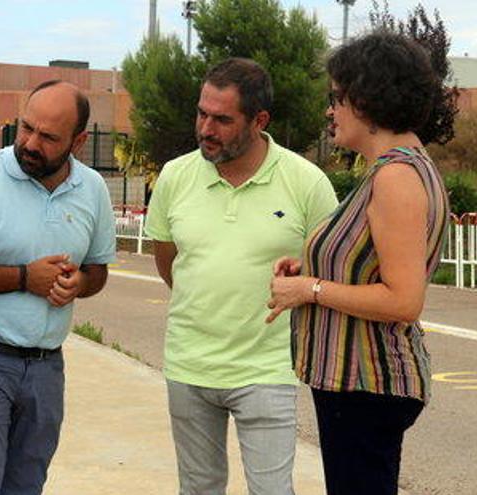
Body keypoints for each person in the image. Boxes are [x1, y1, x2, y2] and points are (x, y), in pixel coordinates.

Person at [266, 32, 452, 495]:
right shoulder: (397, 168)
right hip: (356, 385)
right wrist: (313, 270)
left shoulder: (396, 178)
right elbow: (368, 260)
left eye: (338, 97)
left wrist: (308, 290)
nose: (331, 110)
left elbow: (404, 300)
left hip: (366, 384)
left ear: (368, 98)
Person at [145, 58, 338, 495]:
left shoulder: (307, 183)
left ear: (259, 120)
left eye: (222, 119)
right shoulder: (175, 177)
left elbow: (326, 270)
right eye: (202, 113)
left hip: (268, 368)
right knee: (198, 488)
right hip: (189, 365)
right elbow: (169, 262)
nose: (206, 129)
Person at [0, 80, 116, 495]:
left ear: (79, 141)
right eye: (26, 127)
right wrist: (25, 278)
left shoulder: (92, 190)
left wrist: (79, 282)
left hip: (47, 370)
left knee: (27, 486)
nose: (29, 143)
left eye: (48, 137)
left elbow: (98, 270)